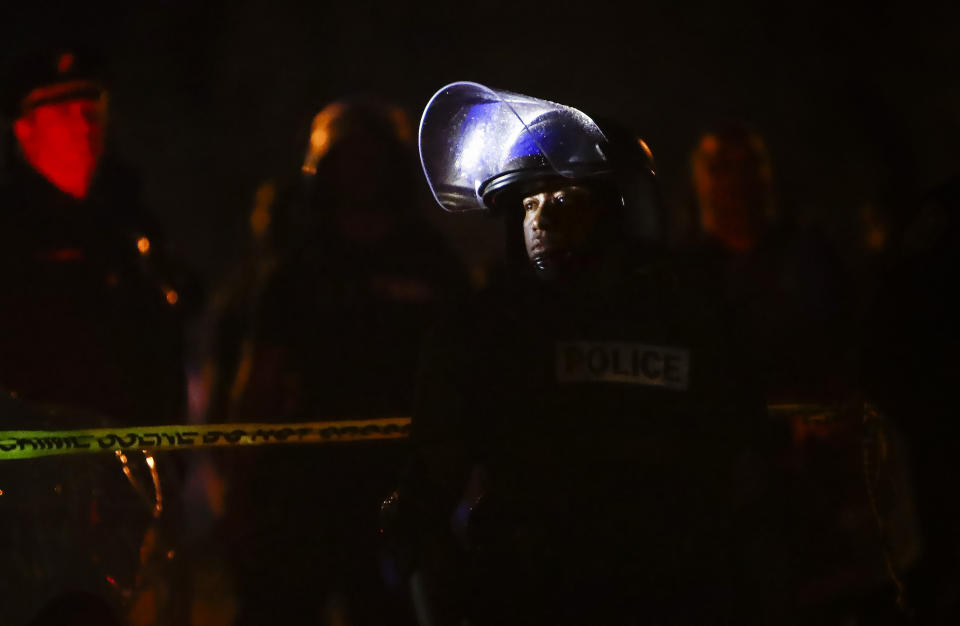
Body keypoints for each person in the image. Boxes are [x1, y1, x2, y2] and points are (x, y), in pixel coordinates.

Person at [391, 82, 797, 626]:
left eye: (565, 199)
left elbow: (747, 466)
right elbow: (432, 477)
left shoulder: (692, 316)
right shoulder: (484, 329)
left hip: (677, 588)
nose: (542, 218)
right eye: (529, 202)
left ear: (619, 207)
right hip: (531, 591)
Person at [203, 98, 466, 625]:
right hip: (302, 496)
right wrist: (238, 494)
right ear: (324, 171)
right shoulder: (299, 268)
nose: (361, 172)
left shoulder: (429, 260)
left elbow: (466, 368)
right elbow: (260, 378)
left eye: (373, 158)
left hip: (399, 491)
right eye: (349, 158)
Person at [0, 45, 187, 425]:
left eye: (92, 110)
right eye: (63, 114)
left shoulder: (131, 221)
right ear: (24, 129)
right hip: (36, 463)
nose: (84, 126)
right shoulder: (10, 229)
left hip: (129, 459)